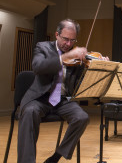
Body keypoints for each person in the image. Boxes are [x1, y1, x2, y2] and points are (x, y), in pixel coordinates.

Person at [18, 19, 91, 163]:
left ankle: (55, 157)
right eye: (65, 39)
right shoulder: (42, 47)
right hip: (40, 98)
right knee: (29, 112)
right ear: (57, 34)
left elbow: (80, 83)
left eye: (72, 40)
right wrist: (65, 57)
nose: (69, 44)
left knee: (82, 117)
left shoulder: (76, 55)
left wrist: (98, 66)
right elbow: (38, 67)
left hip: (62, 101)